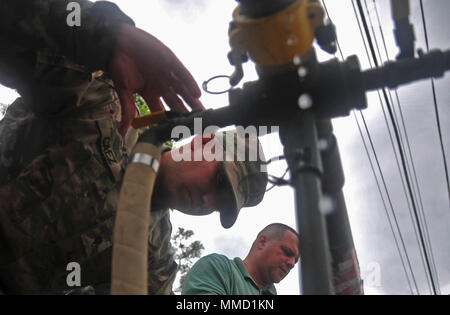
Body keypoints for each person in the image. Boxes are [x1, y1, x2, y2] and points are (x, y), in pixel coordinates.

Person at [0, 0, 268, 294]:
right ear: (202, 142)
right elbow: (17, 28)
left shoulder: (155, 263)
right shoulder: (104, 109)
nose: (207, 202)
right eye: (218, 181)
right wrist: (104, 36)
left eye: (221, 205)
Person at [181, 223, 300, 295]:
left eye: (295, 260)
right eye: (287, 252)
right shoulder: (217, 267)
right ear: (262, 242)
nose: (292, 264)